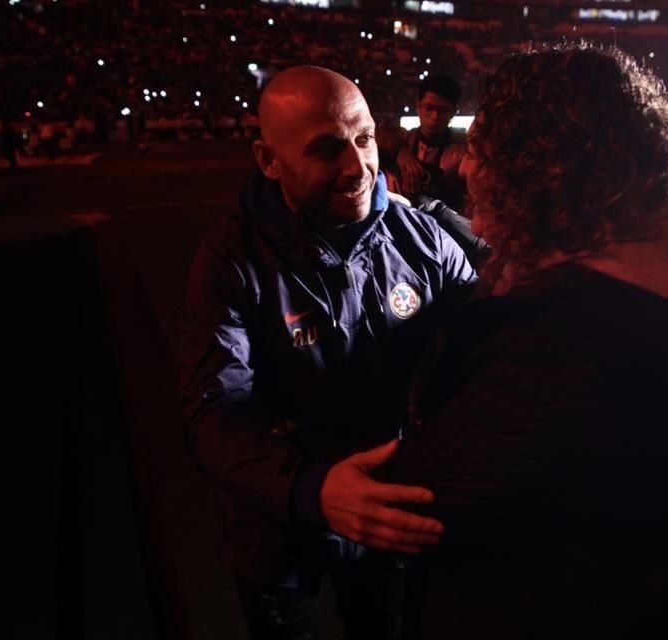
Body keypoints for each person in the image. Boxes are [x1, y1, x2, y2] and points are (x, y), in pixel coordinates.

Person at [390, 43, 668, 639]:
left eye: (481, 149)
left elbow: (424, 497)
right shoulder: (662, 274)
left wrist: (313, 486)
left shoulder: (574, 341)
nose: (468, 169)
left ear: (536, 171)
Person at [178, 65, 477, 639]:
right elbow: (212, 411)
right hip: (276, 526)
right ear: (268, 160)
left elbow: (490, 338)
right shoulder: (230, 263)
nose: (356, 167)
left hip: (389, 508)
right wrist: (310, 487)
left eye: (364, 139)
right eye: (326, 149)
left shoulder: (422, 239)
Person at [378, 75, 467, 210]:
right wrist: (401, 152)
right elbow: (375, 136)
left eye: (443, 110)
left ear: (454, 112)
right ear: (418, 106)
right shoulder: (403, 140)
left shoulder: (463, 150)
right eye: (429, 108)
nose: (434, 117)